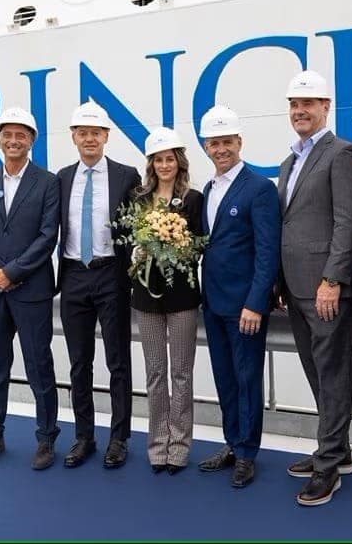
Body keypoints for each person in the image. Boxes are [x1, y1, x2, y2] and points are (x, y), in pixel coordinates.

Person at [276, 70, 352, 506]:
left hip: (326, 289)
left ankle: (328, 465)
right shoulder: (289, 162)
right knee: (317, 373)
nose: (300, 111)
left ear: (326, 107)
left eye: (308, 103)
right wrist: (280, 282)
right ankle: (339, 451)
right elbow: (289, 224)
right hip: (296, 289)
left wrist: (333, 279)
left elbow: (349, 222)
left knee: (332, 375)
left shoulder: (342, 153)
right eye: (294, 104)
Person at [0, 106, 61, 470]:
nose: (14, 141)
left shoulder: (47, 182)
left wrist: (13, 272)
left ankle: (46, 439)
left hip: (31, 290)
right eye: (8, 134)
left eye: (21, 135)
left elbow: (47, 236)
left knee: (39, 366)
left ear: (31, 140)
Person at [195, 105, 281, 488]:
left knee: (247, 380)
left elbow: (267, 251)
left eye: (226, 142)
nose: (221, 149)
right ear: (206, 147)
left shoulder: (259, 188)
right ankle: (232, 442)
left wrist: (256, 303)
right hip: (213, 303)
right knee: (225, 379)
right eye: (214, 143)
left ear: (239, 142)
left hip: (244, 306)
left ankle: (247, 452)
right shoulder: (209, 189)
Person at [56, 100, 141, 469]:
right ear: (73, 137)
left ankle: (119, 438)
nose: (89, 139)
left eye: (96, 133)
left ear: (106, 136)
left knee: (117, 361)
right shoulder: (61, 178)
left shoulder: (127, 175)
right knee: (79, 363)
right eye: (83, 133)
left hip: (111, 274)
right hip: (74, 275)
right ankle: (84, 437)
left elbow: (140, 225)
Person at [128, 127, 204, 475]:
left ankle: (180, 446)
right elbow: (128, 240)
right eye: (158, 160)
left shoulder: (193, 199)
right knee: (156, 372)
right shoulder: (139, 199)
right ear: (151, 164)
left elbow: (199, 245)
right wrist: (142, 250)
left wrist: (174, 246)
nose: (164, 165)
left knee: (182, 373)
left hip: (182, 296)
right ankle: (158, 444)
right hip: (146, 297)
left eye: (169, 159)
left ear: (179, 162)